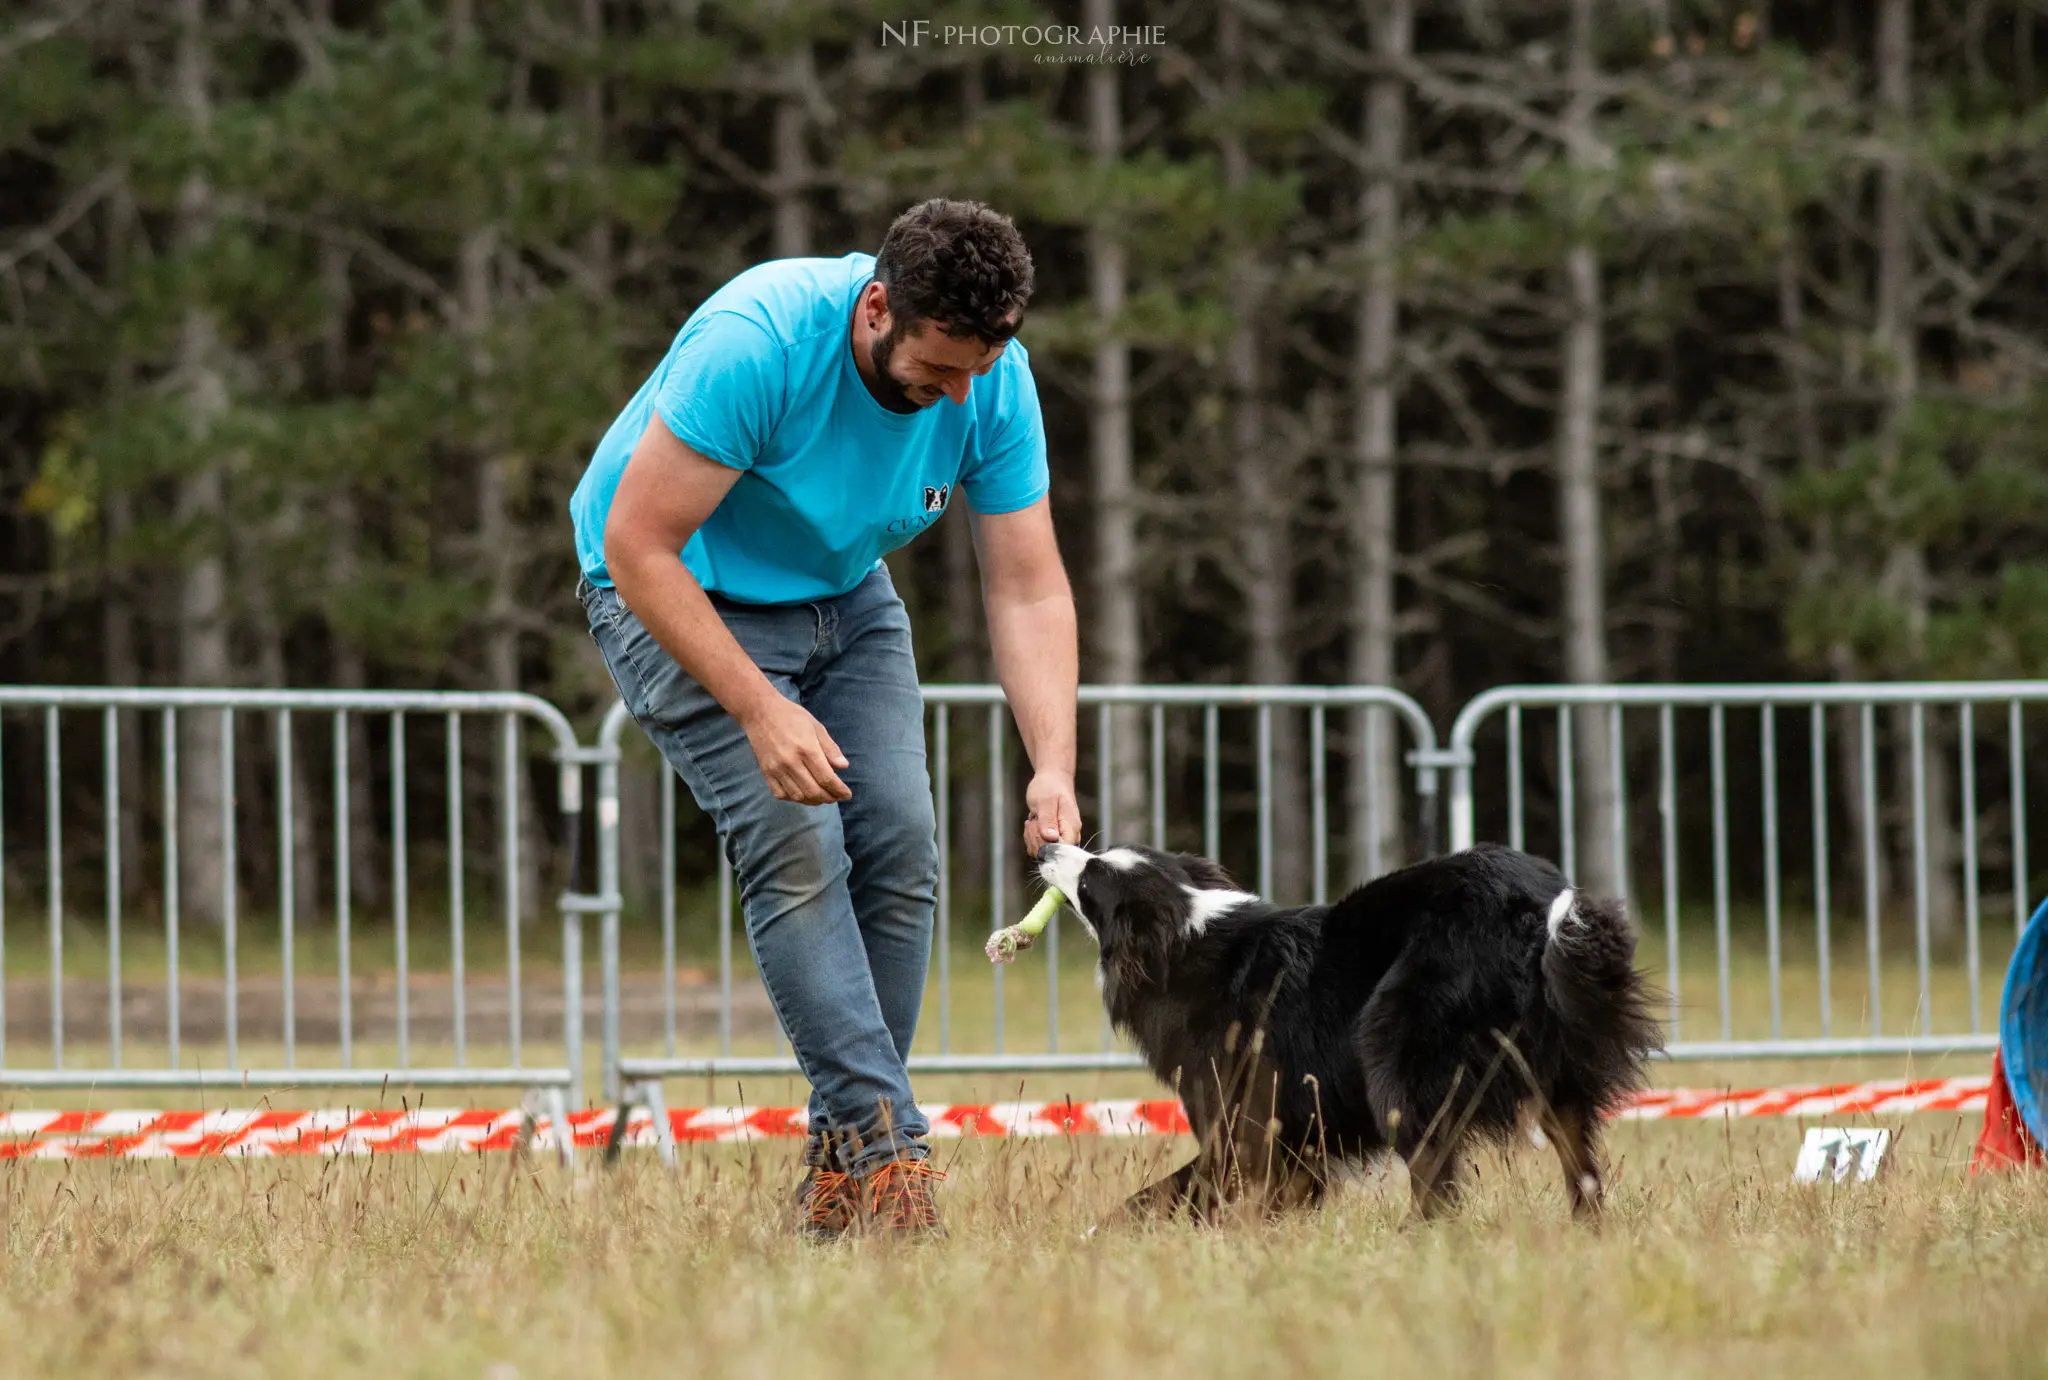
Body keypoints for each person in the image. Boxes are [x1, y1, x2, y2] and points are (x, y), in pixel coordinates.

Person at [570, 199, 1082, 1240]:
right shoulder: (758, 344)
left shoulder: (990, 381)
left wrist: (1052, 767)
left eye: (976, 371)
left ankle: (843, 1168)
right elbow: (638, 543)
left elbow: (1027, 587)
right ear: (877, 309)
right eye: (936, 373)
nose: (959, 397)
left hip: (843, 599)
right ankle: (887, 1158)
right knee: (798, 843)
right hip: (673, 587)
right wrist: (758, 710)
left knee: (898, 846)